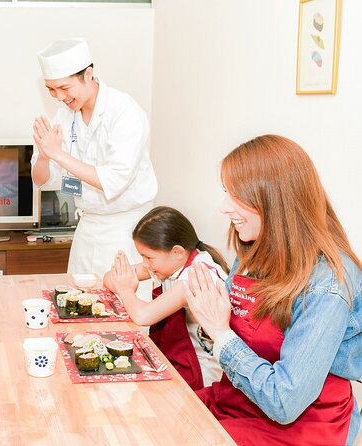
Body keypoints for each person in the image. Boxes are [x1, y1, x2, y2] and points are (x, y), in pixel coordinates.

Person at [185, 135, 362, 445]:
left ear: (275, 201)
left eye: (236, 195)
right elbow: (226, 331)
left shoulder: (328, 281)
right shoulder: (254, 247)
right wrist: (210, 320)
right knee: (159, 412)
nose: (225, 208)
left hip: (301, 423)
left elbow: (285, 402)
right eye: (226, 193)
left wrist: (220, 332)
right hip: (240, 400)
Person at [31, 38, 157, 276]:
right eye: (51, 90)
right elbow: (41, 180)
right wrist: (45, 157)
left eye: (64, 88)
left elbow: (115, 180)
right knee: (78, 304)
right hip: (87, 228)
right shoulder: (63, 116)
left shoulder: (125, 112)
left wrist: (57, 153)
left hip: (127, 230)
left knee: (122, 307)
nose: (58, 96)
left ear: (88, 74)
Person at [103, 206, 228, 389]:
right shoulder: (170, 262)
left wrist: (127, 291)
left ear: (177, 251)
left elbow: (143, 316)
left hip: (203, 371)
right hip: (178, 353)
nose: (145, 264)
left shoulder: (195, 275)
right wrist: (122, 280)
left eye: (148, 257)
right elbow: (109, 278)